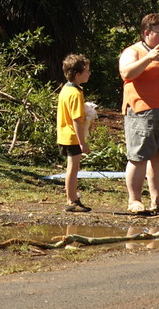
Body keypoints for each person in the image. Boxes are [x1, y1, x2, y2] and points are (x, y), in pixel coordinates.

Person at [118, 13, 159, 215]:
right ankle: (135, 200)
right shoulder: (133, 51)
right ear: (147, 33)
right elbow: (126, 73)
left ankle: (158, 201)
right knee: (139, 157)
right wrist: (147, 58)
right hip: (142, 111)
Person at [57, 53, 93, 212]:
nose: (89, 73)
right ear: (78, 74)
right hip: (72, 137)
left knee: (72, 168)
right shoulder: (75, 94)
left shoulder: (66, 89)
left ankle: (73, 198)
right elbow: (77, 120)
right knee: (73, 168)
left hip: (64, 134)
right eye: (87, 71)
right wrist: (82, 142)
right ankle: (71, 200)